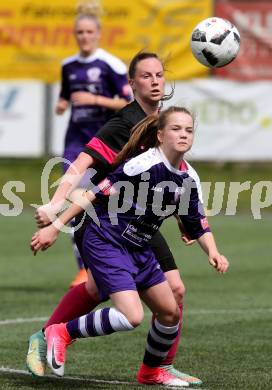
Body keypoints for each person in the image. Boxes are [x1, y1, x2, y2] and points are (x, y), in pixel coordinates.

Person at [27, 52, 200, 385]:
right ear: (132, 83)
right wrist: (54, 207)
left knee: (170, 292)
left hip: (142, 223)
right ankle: (49, 334)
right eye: (146, 76)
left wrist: (183, 217)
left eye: (159, 75)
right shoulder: (124, 124)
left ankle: (158, 367)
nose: (154, 81)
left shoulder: (166, 121)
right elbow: (80, 165)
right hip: (107, 221)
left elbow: (169, 175)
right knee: (107, 292)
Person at [55, 0, 131, 287]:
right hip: (76, 142)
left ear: (98, 34)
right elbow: (66, 94)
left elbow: (126, 103)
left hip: (106, 143)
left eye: (89, 32)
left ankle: (115, 258)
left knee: (107, 203)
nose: (84, 37)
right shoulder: (68, 66)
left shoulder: (111, 65)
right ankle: (84, 268)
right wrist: (62, 104)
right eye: (80, 33)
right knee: (74, 200)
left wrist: (95, 100)